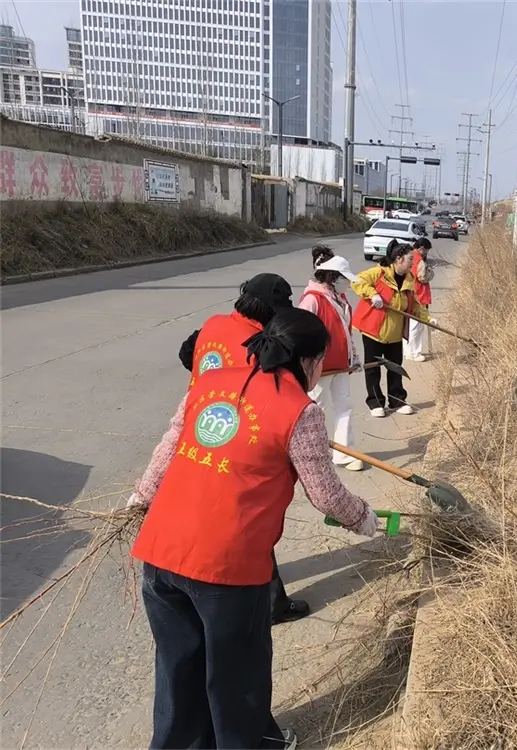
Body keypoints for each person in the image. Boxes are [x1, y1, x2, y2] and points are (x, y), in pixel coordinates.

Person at [128, 307, 379, 750]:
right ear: (308, 361)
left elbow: (168, 448)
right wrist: (363, 518)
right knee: (236, 672)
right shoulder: (300, 411)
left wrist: (141, 497)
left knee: (177, 666)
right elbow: (324, 495)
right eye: (321, 359)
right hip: (226, 566)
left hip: (160, 553)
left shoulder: (208, 384)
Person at [176, 273, 309, 626]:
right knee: (249, 521)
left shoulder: (211, 324)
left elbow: (186, 354)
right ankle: (271, 606)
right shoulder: (259, 344)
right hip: (237, 438)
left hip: (198, 423)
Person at [298, 246, 364, 472]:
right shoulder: (312, 299)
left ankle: (344, 453)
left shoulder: (341, 298)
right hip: (319, 368)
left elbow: (346, 330)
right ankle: (312, 455)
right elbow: (301, 334)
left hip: (341, 366)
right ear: (332, 277)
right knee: (317, 410)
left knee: (344, 406)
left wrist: (353, 356)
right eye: (344, 278)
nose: (348, 283)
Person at [351, 240, 434, 418]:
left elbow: (414, 305)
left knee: (395, 367)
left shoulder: (409, 279)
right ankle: (375, 402)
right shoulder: (379, 273)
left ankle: (397, 400)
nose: (413, 262)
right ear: (398, 259)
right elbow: (356, 282)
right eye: (410, 258)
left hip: (395, 332)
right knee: (373, 368)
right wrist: (373, 294)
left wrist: (427, 318)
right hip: (374, 331)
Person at [178, 273, 293, 381]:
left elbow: (185, 353)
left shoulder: (213, 323)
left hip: (199, 399)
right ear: (271, 312)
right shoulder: (262, 344)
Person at [403, 237, 434, 362]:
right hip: (419, 294)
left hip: (410, 293)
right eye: (426, 250)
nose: (426, 253)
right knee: (417, 325)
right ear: (421, 248)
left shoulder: (409, 256)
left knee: (409, 324)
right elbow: (422, 277)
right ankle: (415, 353)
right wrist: (430, 273)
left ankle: (407, 351)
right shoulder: (419, 260)